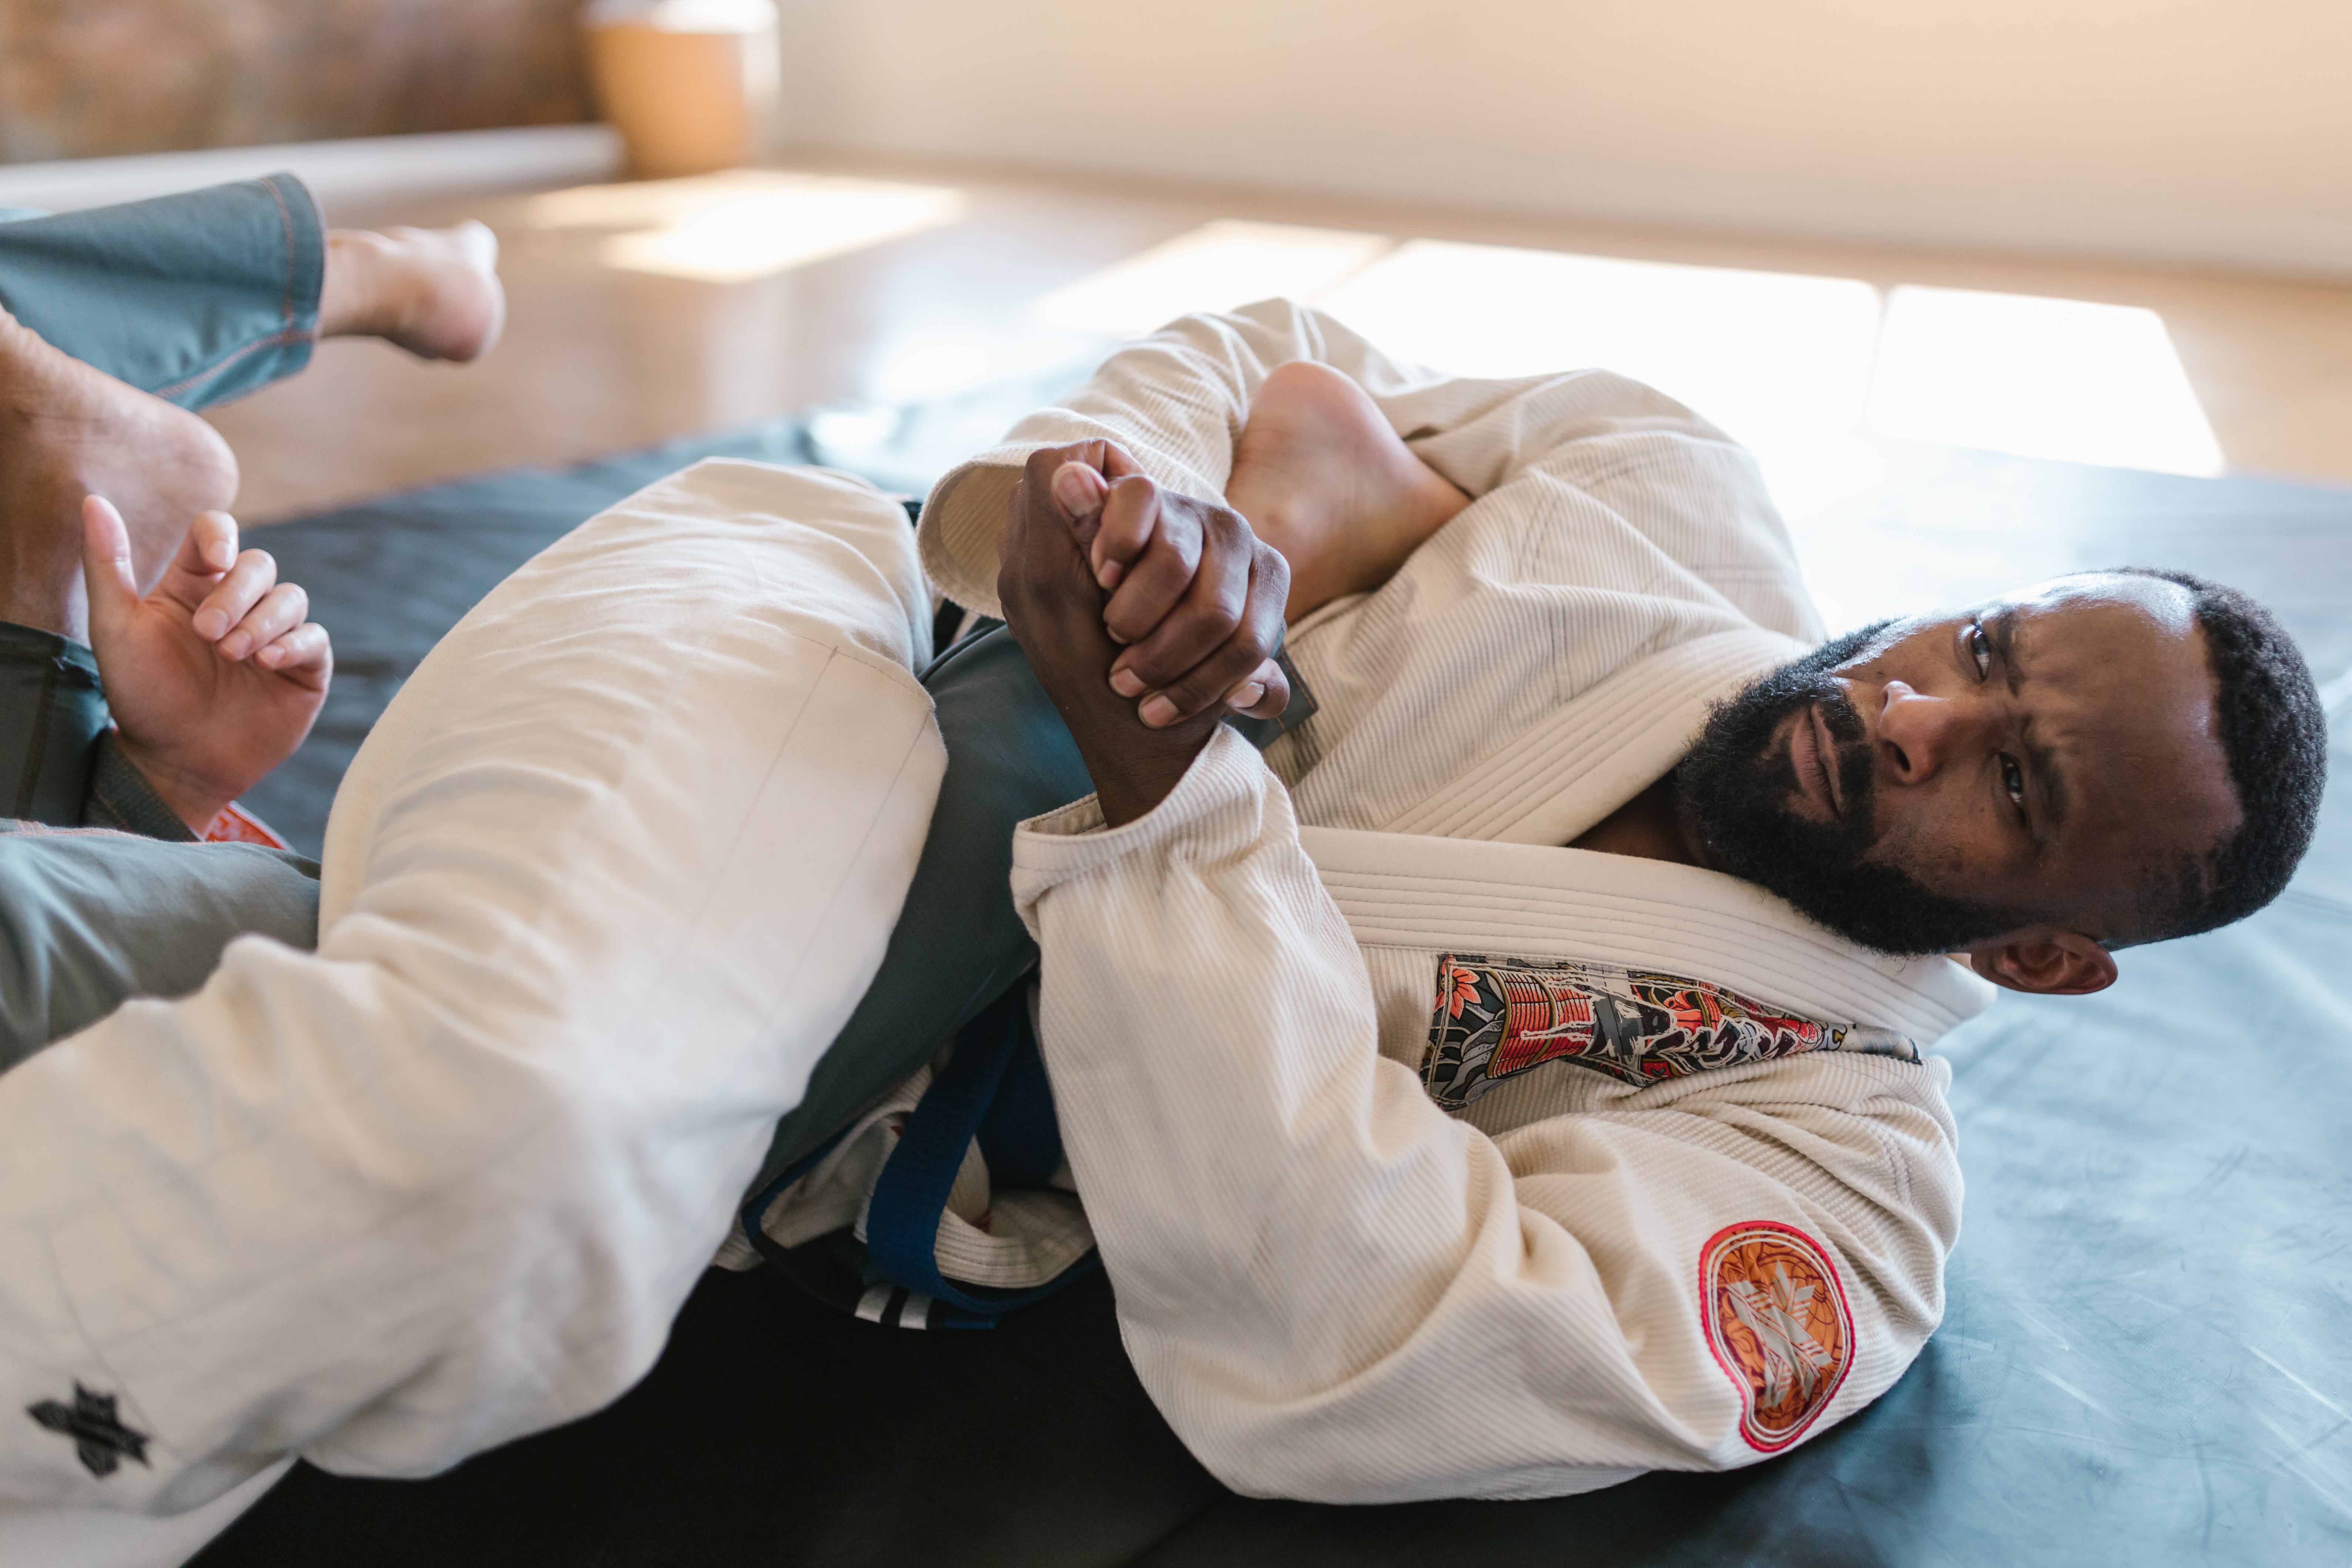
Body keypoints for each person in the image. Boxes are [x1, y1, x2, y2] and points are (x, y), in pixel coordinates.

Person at [0, 294, 2323, 1538]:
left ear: (2044, 958)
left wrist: (1168, 791)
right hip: (802, 642)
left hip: (798, 1038)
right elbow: (1267, 343)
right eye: (1980, 647)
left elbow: (1380, 1337)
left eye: (2011, 783)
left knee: (444, 1087)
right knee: (520, 1122)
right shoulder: (1662, 492)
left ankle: (130, 824)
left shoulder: (1825, 1187)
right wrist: (1146, 503)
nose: (1913, 711)